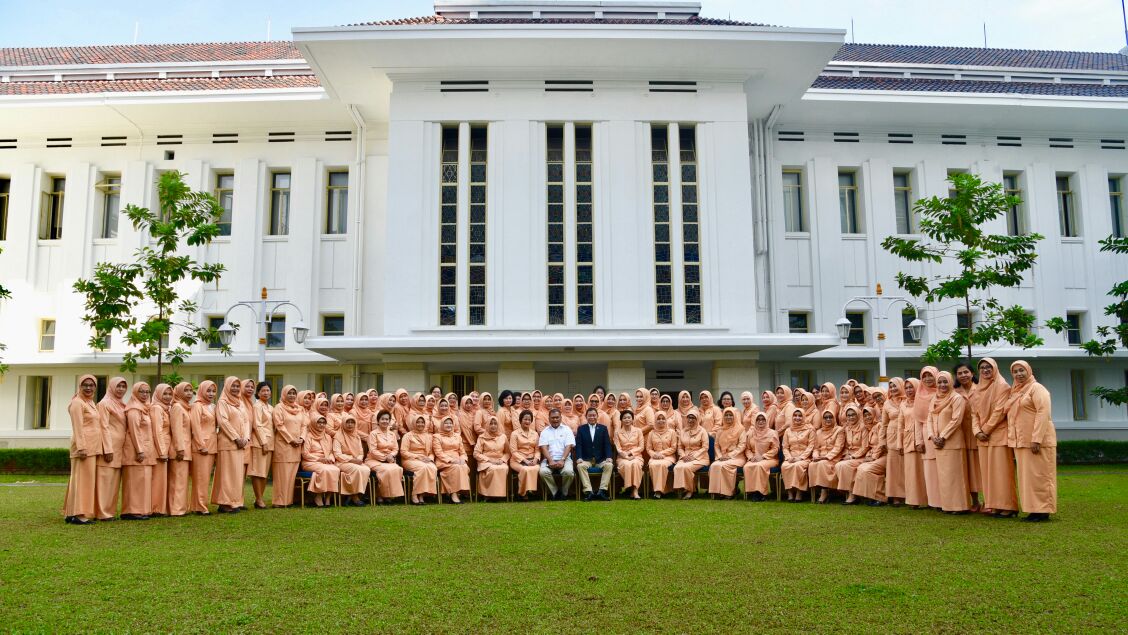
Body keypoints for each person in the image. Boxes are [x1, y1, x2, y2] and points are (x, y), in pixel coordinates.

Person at [1005, 361, 1057, 522]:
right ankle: (1033, 510)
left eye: (1021, 370)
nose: (1019, 374)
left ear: (1029, 371)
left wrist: (1036, 439)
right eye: (1015, 371)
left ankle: (1043, 510)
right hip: (1021, 442)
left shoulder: (1037, 388)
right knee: (1028, 479)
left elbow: (1043, 413)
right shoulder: (1015, 391)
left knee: (1041, 476)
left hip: (1037, 443)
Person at [972, 358, 1018, 518]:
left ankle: (1008, 507)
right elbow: (974, 413)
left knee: (1002, 473)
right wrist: (977, 431)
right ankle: (994, 505)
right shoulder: (977, 389)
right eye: (982, 368)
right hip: (982, 438)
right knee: (988, 474)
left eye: (988, 367)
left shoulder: (1002, 386)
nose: (985, 370)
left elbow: (1000, 411)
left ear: (995, 368)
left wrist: (985, 430)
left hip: (998, 435)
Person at [929, 371, 971, 514]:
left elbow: (956, 420)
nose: (942, 385)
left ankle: (960, 506)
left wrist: (943, 437)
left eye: (945, 381)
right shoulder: (934, 399)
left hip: (953, 442)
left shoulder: (956, 398)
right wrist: (933, 436)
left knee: (956, 476)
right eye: (939, 382)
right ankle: (948, 506)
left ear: (951, 382)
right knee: (945, 476)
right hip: (938, 443)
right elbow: (930, 419)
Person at [64, 375, 101, 524]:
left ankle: (71, 513)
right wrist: (81, 448)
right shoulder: (77, 403)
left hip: (91, 447)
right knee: (82, 481)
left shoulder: (90, 402)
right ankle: (79, 515)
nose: (88, 388)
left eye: (91, 385)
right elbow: (78, 427)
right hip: (83, 448)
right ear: (79, 386)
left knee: (79, 480)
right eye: (85, 385)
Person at [212, 377, 249, 514]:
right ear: (227, 386)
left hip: (240, 445)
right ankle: (224, 503)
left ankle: (235, 501)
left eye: (237, 386)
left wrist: (245, 438)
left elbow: (246, 421)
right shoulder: (222, 402)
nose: (235, 388)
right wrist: (236, 438)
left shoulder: (240, 403)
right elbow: (223, 422)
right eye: (233, 386)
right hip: (228, 444)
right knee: (226, 475)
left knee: (237, 475)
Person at [95, 376, 129, 521]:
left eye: (123, 386)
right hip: (109, 447)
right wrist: (107, 449)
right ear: (111, 387)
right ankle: (102, 513)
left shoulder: (122, 404)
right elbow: (103, 426)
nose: (121, 389)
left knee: (114, 482)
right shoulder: (104, 404)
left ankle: (109, 511)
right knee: (105, 481)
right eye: (118, 386)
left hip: (120, 448)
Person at [121, 382, 155, 520]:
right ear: (135, 392)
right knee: (134, 482)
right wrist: (140, 450)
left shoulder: (144, 408)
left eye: (147, 392)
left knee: (143, 481)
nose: (145, 394)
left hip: (145, 449)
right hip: (135, 450)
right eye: (142, 391)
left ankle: (141, 509)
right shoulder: (134, 409)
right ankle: (131, 511)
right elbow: (134, 431)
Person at [271, 385, 306, 507]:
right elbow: (279, 425)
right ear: (284, 394)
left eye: (294, 393)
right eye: (289, 393)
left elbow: (304, 425)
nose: (292, 395)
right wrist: (291, 440)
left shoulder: (300, 409)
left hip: (297, 446)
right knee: (282, 475)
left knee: (291, 475)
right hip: (284, 445)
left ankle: (288, 500)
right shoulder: (279, 408)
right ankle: (279, 501)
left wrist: (302, 438)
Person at [954, 362, 982, 510]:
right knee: (968, 470)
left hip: (980, 434)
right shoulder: (954, 392)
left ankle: (990, 501)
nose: (963, 375)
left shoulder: (981, 388)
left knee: (982, 469)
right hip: (961, 435)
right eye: (960, 373)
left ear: (972, 373)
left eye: (966, 372)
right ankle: (975, 501)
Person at [365, 410, 405, 504]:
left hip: (389, 459)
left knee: (398, 469)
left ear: (389, 421)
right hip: (374, 460)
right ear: (378, 421)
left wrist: (391, 455)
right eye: (382, 419)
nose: (385, 421)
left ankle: (389, 495)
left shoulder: (392, 434)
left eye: (387, 419)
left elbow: (395, 449)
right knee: (386, 470)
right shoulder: (373, 434)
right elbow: (373, 450)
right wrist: (385, 457)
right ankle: (380, 494)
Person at [852, 404, 888, 506]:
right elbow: (868, 446)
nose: (867, 417)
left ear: (874, 415)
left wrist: (873, 457)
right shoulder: (868, 428)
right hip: (874, 456)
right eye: (865, 416)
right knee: (861, 468)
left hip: (884, 456)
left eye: (869, 415)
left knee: (867, 470)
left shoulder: (879, 426)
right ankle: (872, 496)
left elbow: (882, 444)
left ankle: (881, 497)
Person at [574, 407, 613, 501]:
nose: (592, 417)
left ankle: (602, 491)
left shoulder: (603, 428)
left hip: (600, 460)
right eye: (590, 415)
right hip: (586, 459)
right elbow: (578, 445)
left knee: (609, 465)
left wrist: (609, 457)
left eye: (594, 415)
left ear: (597, 416)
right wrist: (579, 457)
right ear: (586, 417)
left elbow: (607, 444)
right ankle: (589, 492)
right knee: (580, 466)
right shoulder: (581, 429)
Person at [167, 382, 195, 517]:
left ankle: (181, 507)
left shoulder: (185, 407)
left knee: (182, 480)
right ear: (178, 392)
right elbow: (176, 429)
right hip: (180, 449)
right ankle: (176, 509)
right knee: (177, 480)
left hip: (186, 448)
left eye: (190, 390)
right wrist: (179, 448)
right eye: (186, 390)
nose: (189, 393)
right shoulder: (177, 407)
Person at [301, 416, 340, 508]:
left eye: (323, 423)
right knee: (324, 470)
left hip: (325, 462)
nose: (321, 425)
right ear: (314, 424)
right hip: (310, 462)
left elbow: (331, 452)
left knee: (336, 469)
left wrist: (330, 459)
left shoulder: (328, 437)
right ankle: (318, 495)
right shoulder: (308, 436)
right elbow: (305, 454)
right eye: (319, 422)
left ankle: (328, 497)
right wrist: (319, 459)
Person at [833, 404, 869, 505]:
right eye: (848, 415)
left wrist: (852, 456)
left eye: (853, 415)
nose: (851, 417)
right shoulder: (846, 428)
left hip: (861, 457)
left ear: (858, 415)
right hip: (849, 456)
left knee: (843, 465)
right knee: (839, 465)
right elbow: (845, 446)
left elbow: (865, 447)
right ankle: (850, 492)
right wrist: (846, 454)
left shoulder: (864, 428)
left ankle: (852, 494)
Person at [707, 407, 746, 499]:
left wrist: (729, 456)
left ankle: (729, 492)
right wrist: (720, 456)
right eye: (726, 415)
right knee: (714, 466)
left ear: (735, 416)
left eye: (731, 415)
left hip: (737, 457)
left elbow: (742, 445)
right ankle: (717, 492)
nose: (728, 417)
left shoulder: (741, 429)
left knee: (725, 466)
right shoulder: (720, 430)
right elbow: (716, 445)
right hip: (722, 457)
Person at [538, 407, 576, 500]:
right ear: (549, 418)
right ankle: (555, 492)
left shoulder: (567, 429)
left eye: (557, 417)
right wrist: (550, 460)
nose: (555, 419)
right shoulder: (545, 431)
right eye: (553, 418)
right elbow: (543, 448)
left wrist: (562, 460)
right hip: (549, 459)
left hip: (565, 458)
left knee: (569, 472)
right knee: (543, 472)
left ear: (561, 418)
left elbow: (569, 446)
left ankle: (564, 492)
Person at [916, 367, 941, 509]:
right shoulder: (919, 395)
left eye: (930, 375)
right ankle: (935, 502)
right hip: (927, 435)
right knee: (930, 469)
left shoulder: (942, 391)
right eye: (924, 376)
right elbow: (917, 421)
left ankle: (947, 500)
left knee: (943, 468)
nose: (927, 379)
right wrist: (919, 441)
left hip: (942, 433)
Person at [901, 378, 928, 509]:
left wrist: (920, 440)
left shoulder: (923, 401)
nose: (909, 390)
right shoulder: (903, 404)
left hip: (923, 439)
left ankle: (928, 499)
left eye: (911, 387)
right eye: (906, 388)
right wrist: (899, 444)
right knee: (911, 472)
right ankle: (913, 500)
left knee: (924, 472)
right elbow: (900, 424)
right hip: (908, 440)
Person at [809, 408, 845, 504]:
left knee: (822, 464)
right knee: (812, 465)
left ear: (834, 418)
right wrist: (815, 456)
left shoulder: (839, 430)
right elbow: (816, 448)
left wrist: (826, 457)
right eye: (825, 417)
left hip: (833, 458)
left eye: (830, 417)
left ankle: (824, 492)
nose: (828, 419)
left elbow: (838, 447)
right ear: (822, 419)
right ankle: (819, 491)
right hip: (820, 457)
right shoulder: (819, 432)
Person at [334, 414, 371, 506]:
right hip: (342, 462)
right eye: (348, 422)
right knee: (357, 469)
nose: (350, 424)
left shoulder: (356, 436)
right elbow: (337, 454)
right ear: (343, 424)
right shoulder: (338, 436)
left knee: (366, 469)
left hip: (356, 461)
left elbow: (361, 452)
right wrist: (352, 460)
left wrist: (358, 459)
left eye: (352, 422)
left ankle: (354, 494)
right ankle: (354, 496)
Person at [401, 415, 438, 505]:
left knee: (433, 468)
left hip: (425, 460)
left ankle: (422, 495)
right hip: (410, 459)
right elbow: (403, 452)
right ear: (414, 423)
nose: (420, 424)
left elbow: (431, 452)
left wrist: (430, 459)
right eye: (418, 422)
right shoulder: (408, 436)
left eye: (422, 422)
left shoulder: (428, 436)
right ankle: (414, 494)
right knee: (423, 468)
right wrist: (418, 457)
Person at [742, 412, 779, 501]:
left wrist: (763, 456)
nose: (760, 421)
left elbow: (775, 449)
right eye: (758, 420)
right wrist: (751, 457)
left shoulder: (772, 433)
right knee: (747, 466)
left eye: (763, 419)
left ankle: (761, 493)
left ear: (766, 421)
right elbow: (747, 449)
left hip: (769, 458)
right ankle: (752, 492)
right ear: (755, 421)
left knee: (759, 466)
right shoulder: (751, 433)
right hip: (754, 458)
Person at [149, 384, 173, 517]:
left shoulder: (166, 408)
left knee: (162, 479)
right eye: (165, 394)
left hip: (165, 447)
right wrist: (162, 452)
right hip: (159, 450)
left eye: (170, 394)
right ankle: (156, 508)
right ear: (158, 394)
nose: (168, 397)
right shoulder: (156, 408)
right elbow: (157, 431)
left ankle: (160, 507)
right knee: (158, 480)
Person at [673, 411, 710, 499]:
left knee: (686, 468)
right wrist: (683, 456)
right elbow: (680, 447)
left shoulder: (702, 431)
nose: (690, 420)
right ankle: (681, 489)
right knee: (677, 467)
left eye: (693, 418)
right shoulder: (683, 431)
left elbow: (705, 447)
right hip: (685, 457)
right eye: (689, 417)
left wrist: (694, 456)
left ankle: (690, 491)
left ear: (697, 419)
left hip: (701, 458)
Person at [434, 417, 471, 504]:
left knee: (464, 466)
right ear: (442, 425)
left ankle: (457, 493)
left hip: (457, 460)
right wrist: (451, 460)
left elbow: (462, 452)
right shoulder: (437, 437)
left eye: (450, 423)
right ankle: (454, 495)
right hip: (444, 461)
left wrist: (463, 459)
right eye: (446, 423)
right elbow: (438, 452)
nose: (449, 425)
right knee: (456, 468)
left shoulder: (457, 436)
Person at [249, 381, 274, 509]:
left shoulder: (271, 407)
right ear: (258, 393)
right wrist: (263, 442)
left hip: (270, 442)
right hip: (260, 442)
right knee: (258, 472)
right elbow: (257, 425)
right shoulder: (257, 406)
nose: (266, 392)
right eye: (263, 390)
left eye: (268, 390)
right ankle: (259, 499)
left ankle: (259, 498)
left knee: (264, 472)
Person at [882, 378, 906, 507]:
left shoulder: (907, 400)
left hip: (906, 435)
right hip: (892, 437)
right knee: (894, 468)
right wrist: (882, 441)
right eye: (890, 387)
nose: (893, 389)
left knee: (906, 466)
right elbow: (884, 424)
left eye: (895, 386)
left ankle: (909, 495)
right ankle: (896, 496)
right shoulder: (887, 403)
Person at [781, 408, 814, 501]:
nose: (797, 418)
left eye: (800, 416)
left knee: (798, 466)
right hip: (791, 457)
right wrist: (789, 457)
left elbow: (811, 446)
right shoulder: (788, 430)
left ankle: (799, 492)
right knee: (785, 466)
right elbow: (785, 447)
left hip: (804, 457)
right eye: (795, 416)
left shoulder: (810, 430)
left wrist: (801, 458)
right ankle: (790, 492)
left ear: (804, 417)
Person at [474, 417, 509, 501]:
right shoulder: (482, 437)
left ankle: (499, 495)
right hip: (485, 461)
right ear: (487, 425)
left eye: (495, 424)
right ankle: (488, 495)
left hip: (500, 461)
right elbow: (476, 453)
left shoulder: (503, 436)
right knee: (492, 469)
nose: (493, 426)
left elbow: (508, 453)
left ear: (498, 425)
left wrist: (502, 460)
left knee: (503, 468)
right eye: (491, 423)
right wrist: (489, 460)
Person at [509, 409, 541, 500]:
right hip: (517, 461)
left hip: (532, 460)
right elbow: (513, 451)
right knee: (525, 469)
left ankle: (531, 491)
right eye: (525, 419)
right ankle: (523, 493)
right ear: (520, 420)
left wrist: (535, 459)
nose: (527, 421)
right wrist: (525, 461)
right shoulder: (514, 434)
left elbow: (537, 450)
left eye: (529, 419)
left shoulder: (535, 434)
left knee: (536, 468)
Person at [613, 410, 645, 499]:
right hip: (622, 457)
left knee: (635, 464)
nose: (627, 419)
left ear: (632, 419)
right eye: (624, 418)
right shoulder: (617, 432)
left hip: (636, 455)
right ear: (621, 420)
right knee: (627, 465)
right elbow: (618, 448)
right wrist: (626, 456)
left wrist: (631, 453)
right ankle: (630, 489)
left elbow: (641, 447)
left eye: (629, 417)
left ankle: (635, 490)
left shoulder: (638, 431)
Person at [646, 412, 678, 498]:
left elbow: (673, 447)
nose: (661, 421)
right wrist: (654, 454)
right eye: (658, 419)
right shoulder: (651, 433)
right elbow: (648, 448)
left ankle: (658, 491)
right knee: (653, 465)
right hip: (655, 456)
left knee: (662, 465)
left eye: (663, 418)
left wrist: (661, 453)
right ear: (655, 420)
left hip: (668, 456)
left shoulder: (672, 432)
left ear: (666, 420)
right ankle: (660, 490)